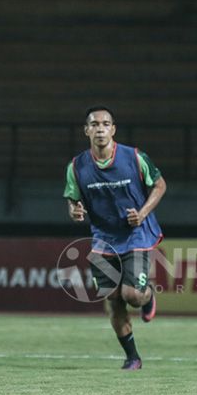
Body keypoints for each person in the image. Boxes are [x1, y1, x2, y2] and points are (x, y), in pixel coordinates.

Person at [63, 106, 166, 371]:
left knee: (132, 294)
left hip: (136, 235)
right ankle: (133, 357)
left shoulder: (133, 157)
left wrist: (142, 214)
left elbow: (160, 184)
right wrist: (75, 211)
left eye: (106, 124)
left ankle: (148, 295)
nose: (100, 128)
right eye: (94, 124)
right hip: (103, 239)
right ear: (86, 130)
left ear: (113, 129)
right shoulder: (76, 166)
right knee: (112, 297)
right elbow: (73, 200)